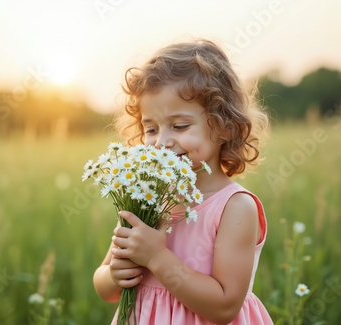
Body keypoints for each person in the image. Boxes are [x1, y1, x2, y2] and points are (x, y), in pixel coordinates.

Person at [93, 38, 273, 325]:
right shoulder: (145, 199)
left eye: (179, 126)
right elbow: (105, 287)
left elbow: (225, 307)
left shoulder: (234, 208)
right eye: (150, 128)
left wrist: (156, 257)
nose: (162, 142)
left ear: (224, 126)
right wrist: (115, 274)